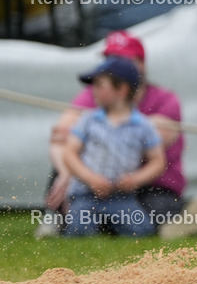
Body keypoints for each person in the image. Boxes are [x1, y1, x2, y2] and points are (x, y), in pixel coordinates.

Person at [39, 31, 187, 237]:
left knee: (146, 222)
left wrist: (131, 178)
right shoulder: (92, 109)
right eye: (108, 59)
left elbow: (155, 152)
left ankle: (177, 222)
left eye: (120, 59)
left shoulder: (162, 103)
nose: (110, 65)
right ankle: (59, 219)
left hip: (146, 188)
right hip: (91, 189)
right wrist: (73, 174)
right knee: (80, 219)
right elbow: (60, 138)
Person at [62, 57, 166, 237]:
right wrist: (90, 178)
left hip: (121, 197)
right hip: (86, 194)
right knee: (79, 230)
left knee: (142, 231)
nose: (93, 90)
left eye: (100, 85)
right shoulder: (88, 119)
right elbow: (69, 152)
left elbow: (158, 160)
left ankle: (107, 226)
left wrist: (136, 179)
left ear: (122, 90)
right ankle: (88, 224)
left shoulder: (143, 125)